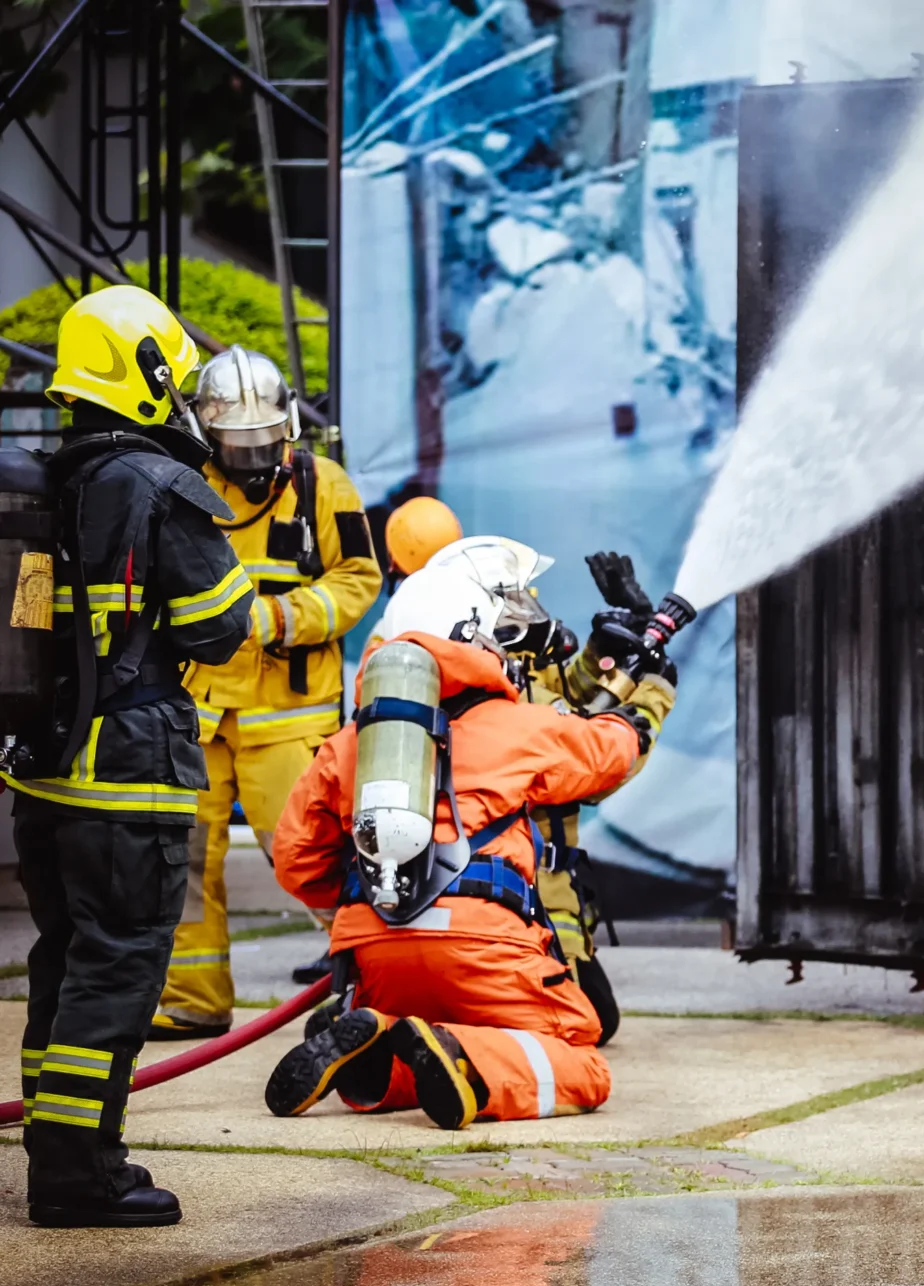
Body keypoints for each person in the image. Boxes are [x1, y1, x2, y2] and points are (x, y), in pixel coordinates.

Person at [258, 562, 674, 1130]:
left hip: (374, 957)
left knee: (416, 1023)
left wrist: (379, 897)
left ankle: (379, 1049)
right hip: (484, 948)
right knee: (581, 1058)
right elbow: (608, 757)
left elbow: (296, 864)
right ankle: (467, 1058)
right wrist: (641, 711)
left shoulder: (349, 743)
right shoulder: (518, 725)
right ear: (472, 636)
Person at [10, 287, 254, 1226]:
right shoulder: (158, 486)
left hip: (41, 774)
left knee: (65, 961)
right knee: (116, 969)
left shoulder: (42, 483)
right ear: (152, 377)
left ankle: (54, 1151)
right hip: (127, 775)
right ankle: (79, 1176)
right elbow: (219, 627)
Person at [155, 347, 382, 1039]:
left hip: (286, 720)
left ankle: (376, 985)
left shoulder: (324, 485)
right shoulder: (181, 482)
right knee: (187, 863)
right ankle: (193, 999)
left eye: (264, 442)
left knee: (311, 859)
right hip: (201, 716)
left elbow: (358, 579)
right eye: (237, 444)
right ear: (207, 432)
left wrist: (280, 618)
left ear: (285, 427)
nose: (253, 459)